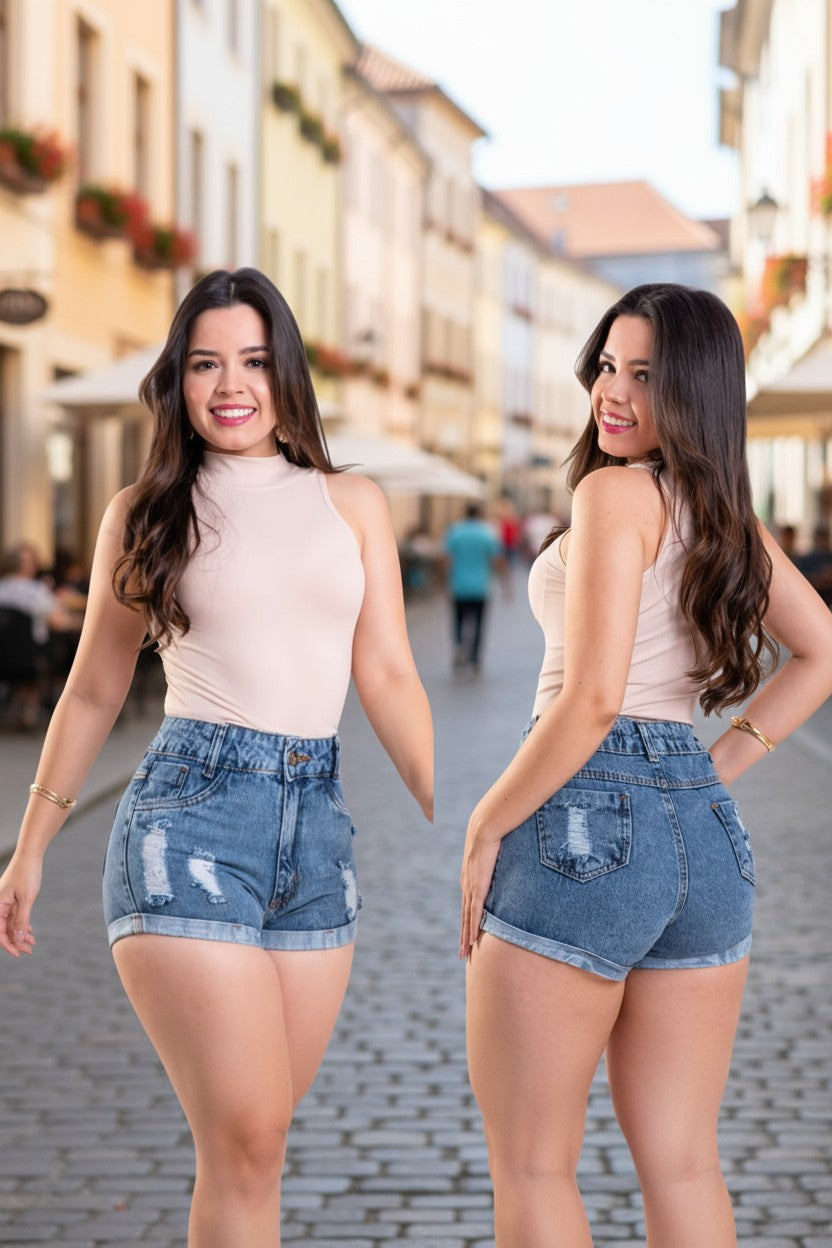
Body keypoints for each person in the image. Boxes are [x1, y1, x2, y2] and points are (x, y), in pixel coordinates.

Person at [0, 267, 433, 1248]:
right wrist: (29, 846)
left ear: (287, 374)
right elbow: (94, 691)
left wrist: (461, 827)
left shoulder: (353, 502)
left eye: (251, 360)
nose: (229, 383)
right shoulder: (146, 510)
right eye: (204, 363)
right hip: (186, 823)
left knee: (262, 1143)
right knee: (239, 1134)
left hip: (317, 834)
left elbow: (393, 678)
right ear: (179, 381)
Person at [459, 284, 832, 1247]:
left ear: (696, 392)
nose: (612, 395)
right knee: (683, 1161)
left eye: (646, 377)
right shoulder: (727, 520)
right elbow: (820, 649)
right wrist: (715, 767)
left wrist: (488, 818)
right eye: (608, 367)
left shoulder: (611, 493)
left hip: (583, 812)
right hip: (704, 838)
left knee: (535, 1164)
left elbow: (590, 698)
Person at [443, 503, 504, 671]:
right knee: (478, 622)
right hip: (480, 587)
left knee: (458, 620)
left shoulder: (455, 532)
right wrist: (505, 585)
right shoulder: (487, 533)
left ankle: (459, 646)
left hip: (459, 586)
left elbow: (445, 558)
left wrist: (441, 582)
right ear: (479, 514)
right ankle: (475, 656)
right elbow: (497, 559)